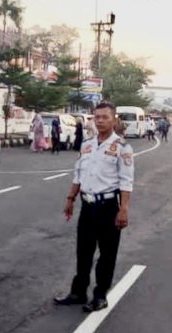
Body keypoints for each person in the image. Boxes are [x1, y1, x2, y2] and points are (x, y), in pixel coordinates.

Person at [55, 102, 134, 312]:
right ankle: (78, 292)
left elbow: (126, 182)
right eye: (97, 117)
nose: (100, 121)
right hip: (87, 206)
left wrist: (123, 209)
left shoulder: (122, 148)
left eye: (104, 117)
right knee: (83, 252)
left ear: (114, 119)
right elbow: (78, 175)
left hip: (108, 207)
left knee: (107, 255)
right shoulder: (87, 145)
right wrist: (71, 198)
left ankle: (100, 295)